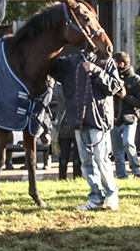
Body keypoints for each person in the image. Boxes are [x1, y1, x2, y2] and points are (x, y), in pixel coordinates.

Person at [48, 51, 123, 211]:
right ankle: (95, 196)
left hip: (99, 118)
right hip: (80, 120)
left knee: (101, 158)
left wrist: (96, 71)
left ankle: (111, 193)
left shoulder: (106, 61)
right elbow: (52, 66)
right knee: (87, 162)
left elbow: (115, 86)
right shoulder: (72, 62)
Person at [110, 52, 140, 179]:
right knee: (117, 150)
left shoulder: (136, 80)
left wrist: (125, 96)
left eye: (114, 63)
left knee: (128, 142)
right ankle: (121, 175)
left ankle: (136, 170)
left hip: (130, 118)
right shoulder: (113, 79)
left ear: (121, 64)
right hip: (115, 118)